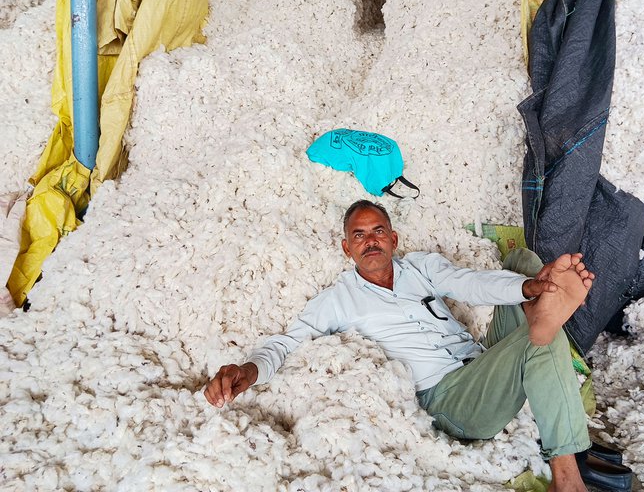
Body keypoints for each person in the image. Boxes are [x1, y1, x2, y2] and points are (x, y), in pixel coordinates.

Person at [205, 200, 596, 492]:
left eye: (377, 231)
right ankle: (567, 476)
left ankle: (541, 315)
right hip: (450, 402)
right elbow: (287, 342)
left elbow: (470, 284)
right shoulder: (338, 300)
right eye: (358, 235)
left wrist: (528, 286)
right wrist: (248, 370)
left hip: (480, 361)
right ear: (347, 249)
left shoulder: (420, 267)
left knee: (521, 260)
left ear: (392, 239)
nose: (369, 241)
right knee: (537, 340)